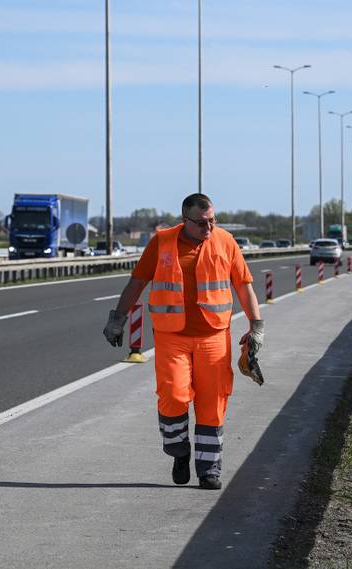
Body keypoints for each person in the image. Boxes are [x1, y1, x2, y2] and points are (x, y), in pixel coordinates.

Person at [102, 193, 263, 490]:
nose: (209, 227)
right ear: (184, 220)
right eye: (202, 222)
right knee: (174, 397)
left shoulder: (225, 242)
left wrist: (256, 326)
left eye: (212, 220)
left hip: (213, 336)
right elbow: (137, 282)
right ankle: (179, 451)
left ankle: (208, 470)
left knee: (212, 403)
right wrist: (118, 318)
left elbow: (243, 284)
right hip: (172, 337)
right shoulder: (162, 242)